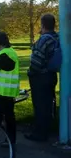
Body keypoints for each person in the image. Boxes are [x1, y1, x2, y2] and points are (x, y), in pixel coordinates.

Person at [25, 13, 59, 142]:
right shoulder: (56, 38)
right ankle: (47, 129)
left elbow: (37, 61)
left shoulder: (44, 39)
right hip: (51, 75)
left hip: (40, 77)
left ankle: (39, 134)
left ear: (43, 24)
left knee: (39, 106)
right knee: (49, 103)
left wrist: (31, 72)